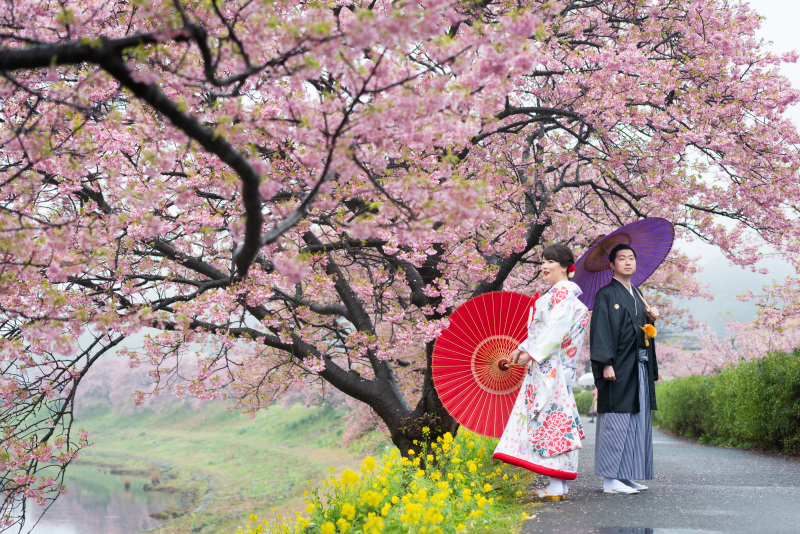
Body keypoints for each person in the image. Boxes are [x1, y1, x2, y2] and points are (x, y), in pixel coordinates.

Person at [493, 244, 589, 501]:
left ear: (566, 266)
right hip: (552, 366)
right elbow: (542, 332)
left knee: (551, 421)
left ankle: (557, 485)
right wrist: (521, 348)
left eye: (550, 261)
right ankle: (559, 483)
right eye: (542, 261)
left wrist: (530, 354)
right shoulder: (561, 295)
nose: (544, 266)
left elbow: (554, 332)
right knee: (555, 421)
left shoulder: (563, 294)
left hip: (551, 368)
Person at [589, 243, 660, 495]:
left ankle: (625, 475)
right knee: (616, 419)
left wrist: (651, 319)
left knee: (636, 420)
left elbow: (644, 334)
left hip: (638, 366)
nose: (628, 262)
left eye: (632, 258)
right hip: (617, 367)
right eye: (622, 259)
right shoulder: (606, 294)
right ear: (612, 265)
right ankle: (610, 479)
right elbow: (601, 330)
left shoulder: (637, 293)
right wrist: (606, 362)